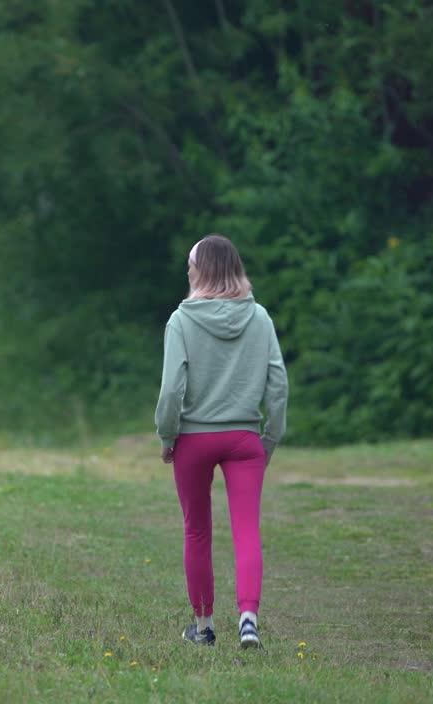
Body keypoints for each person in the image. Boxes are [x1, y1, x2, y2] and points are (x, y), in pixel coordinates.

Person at [154, 234, 288, 649]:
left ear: (201, 271)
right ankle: (248, 619)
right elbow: (278, 384)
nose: (187, 270)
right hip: (244, 437)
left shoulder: (181, 320)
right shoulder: (260, 318)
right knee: (247, 529)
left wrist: (167, 434)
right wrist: (270, 437)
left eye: (191, 264)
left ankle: (205, 625)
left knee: (197, 531)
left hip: (194, 440)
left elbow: (172, 389)